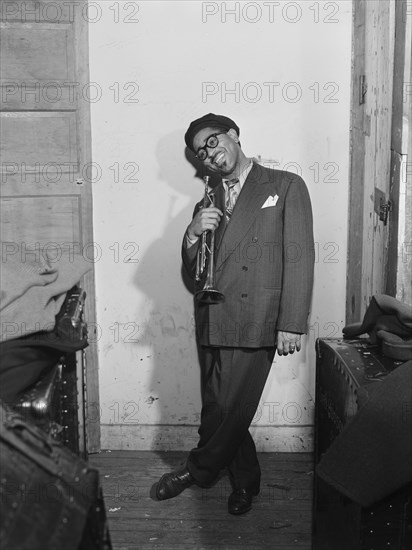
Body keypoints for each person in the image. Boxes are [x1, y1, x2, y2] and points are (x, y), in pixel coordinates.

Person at [155, 113, 315, 515]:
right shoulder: (206, 202)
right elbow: (198, 276)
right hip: (212, 318)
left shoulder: (285, 185)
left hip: (256, 317)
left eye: (212, 142)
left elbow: (299, 259)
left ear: (234, 135)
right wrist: (192, 234)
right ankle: (245, 483)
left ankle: (198, 469)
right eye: (199, 153)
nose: (208, 155)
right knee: (221, 409)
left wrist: (291, 323)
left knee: (228, 408)